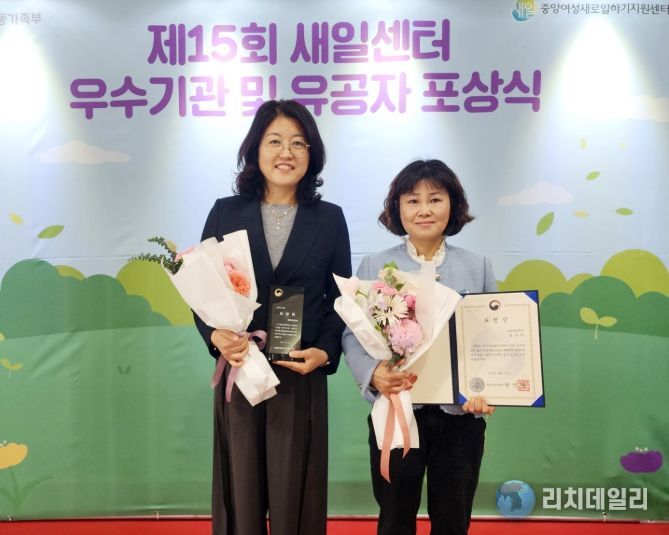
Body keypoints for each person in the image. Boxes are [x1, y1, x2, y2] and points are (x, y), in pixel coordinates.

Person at [194, 99, 352, 535]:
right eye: (275, 141)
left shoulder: (330, 219)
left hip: (299, 372)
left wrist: (325, 352)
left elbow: (340, 298)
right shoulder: (225, 212)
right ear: (256, 150)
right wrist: (214, 336)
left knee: (295, 493)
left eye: (298, 143)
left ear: (312, 154)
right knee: (240, 493)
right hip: (241, 368)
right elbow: (202, 290)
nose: (287, 152)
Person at [343, 159, 496, 535]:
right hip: (398, 410)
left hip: (459, 416)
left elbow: (490, 338)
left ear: (453, 205)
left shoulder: (477, 266)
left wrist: (485, 389)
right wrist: (374, 374)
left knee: (453, 520)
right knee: (395, 518)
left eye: (435, 199)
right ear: (397, 208)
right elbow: (351, 334)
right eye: (412, 200)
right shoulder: (375, 266)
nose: (424, 210)